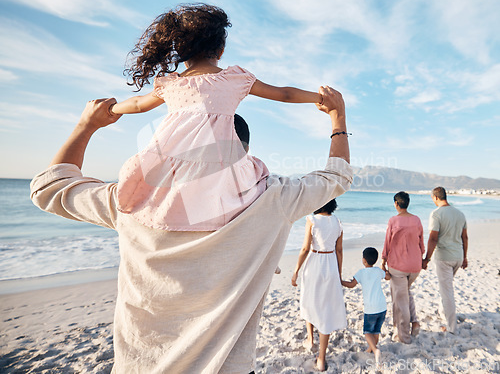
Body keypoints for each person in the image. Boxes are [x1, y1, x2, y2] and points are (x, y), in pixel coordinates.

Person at [30, 85, 352, 373]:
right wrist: (338, 119)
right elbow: (336, 177)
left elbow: (50, 188)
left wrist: (87, 125)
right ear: (244, 150)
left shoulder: (131, 201)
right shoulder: (273, 199)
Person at [109, 3, 323, 232]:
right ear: (221, 51)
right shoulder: (234, 79)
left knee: (164, 202)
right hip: (216, 160)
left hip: (171, 157)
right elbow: (285, 94)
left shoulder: (171, 83)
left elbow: (138, 104)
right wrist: (321, 98)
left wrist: (111, 109)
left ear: (181, 52)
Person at [291, 198, 346, 372]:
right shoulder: (338, 222)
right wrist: (338, 273)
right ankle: (321, 358)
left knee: (309, 300)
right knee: (326, 310)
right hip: (330, 264)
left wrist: (296, 270)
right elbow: (339, 250)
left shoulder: (311, 220)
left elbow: (305, 248)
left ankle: (310, 339)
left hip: (314, 263)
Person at [423, 186, 468, 334]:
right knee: (447, 287)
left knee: (447, 292)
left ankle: (451, 328)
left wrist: (427, 259)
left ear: (436, 197)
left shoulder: (436, 214)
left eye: (432, 198)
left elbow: (433, 238)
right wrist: (465, 257)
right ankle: (443, 312)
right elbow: (465, 237)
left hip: (444, 258)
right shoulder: (460, 214)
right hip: (458, 257)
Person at [381, 191, 425, 344]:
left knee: (399, 303)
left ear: (396, 204)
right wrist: (422, 259)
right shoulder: (417, 220)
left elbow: (387, 243)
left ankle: (404, 337)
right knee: (405, 293)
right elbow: (421, 245)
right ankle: (415, 322)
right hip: (415, 266)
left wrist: (383, 261)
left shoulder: (393, 221)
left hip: (398, 266)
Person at [342, 247, 390, 365]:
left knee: (367, 332)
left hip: (371, 308)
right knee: (376, 331)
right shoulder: (379, 271)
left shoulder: (361, 273)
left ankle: (375, 350)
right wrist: (385, 269)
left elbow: (351, 285)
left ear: (364, 260)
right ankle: (370, 349)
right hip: (382, 307)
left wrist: (340, 281)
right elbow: (388, 277)